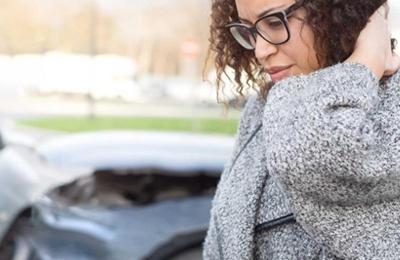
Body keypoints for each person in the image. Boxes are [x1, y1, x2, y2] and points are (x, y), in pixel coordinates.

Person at [202, 0, 400, 259]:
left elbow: (310, 154)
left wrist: (364, 62)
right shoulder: (264, 106)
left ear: (335, 10)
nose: (261, 50)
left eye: (274, 22)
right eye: (250, 30)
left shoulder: (392, 102)